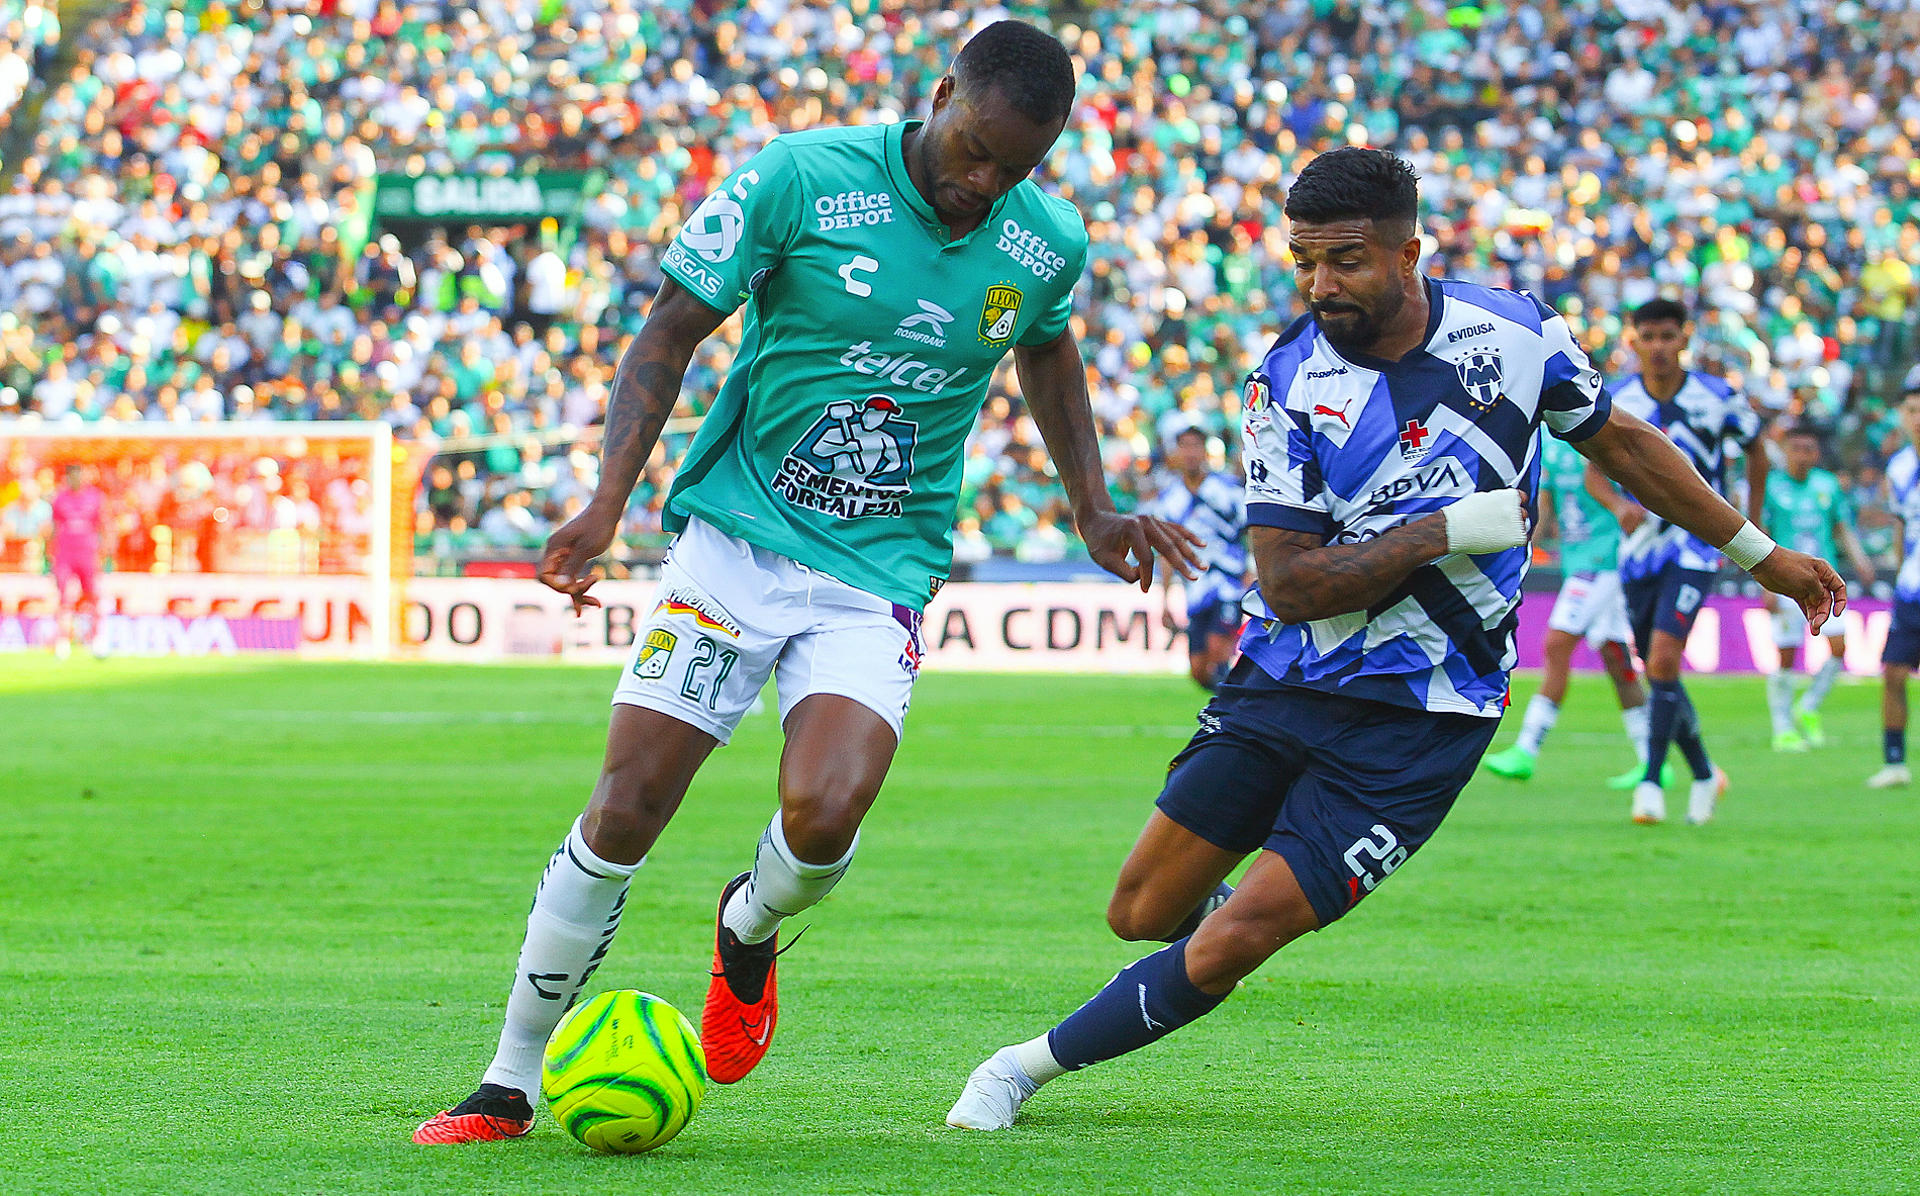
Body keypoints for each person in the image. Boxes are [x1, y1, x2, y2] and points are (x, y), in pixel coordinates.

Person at [943, 147, 1843, 1131]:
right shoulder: (1285, 383)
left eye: (1346, 261)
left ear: (1409, 252)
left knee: (1238, 934)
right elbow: (1285, 584)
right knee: (1142, 912)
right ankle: (1193, 942)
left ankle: (1019, 1066)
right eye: (1303, 263)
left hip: (1429, 713)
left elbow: (1622, 443)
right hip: (1288, 674)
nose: (1321, 284)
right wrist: (1447, 529)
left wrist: (1760, 554)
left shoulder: (1520, 334)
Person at [414, 20, 1201, 1146]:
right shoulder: (802, 177)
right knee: (627, 806)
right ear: (939, 98)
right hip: (732, 544)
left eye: (1015, 168)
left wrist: (1091, 503)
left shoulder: (1044, 243)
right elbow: (669, 330)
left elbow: (1050, 348)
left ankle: (750, 921)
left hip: (877, 571)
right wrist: (605, 503)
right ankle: (507, 1076)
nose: (986, 183)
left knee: (826, 815)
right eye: (974, 150)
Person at [1591, 298, 1766, 826]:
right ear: (1634, 340)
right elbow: (1591, 471)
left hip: (1696, 543)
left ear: (1684, 338)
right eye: (1649, 336)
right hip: (1638, 551)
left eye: (1669, 336)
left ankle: (1649, 783)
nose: (1660, 347)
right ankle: (1707, 774)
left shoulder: (1718, 396)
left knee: (1663, 662)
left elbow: (1757, 452)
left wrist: (1749, 531)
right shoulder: (1616, 400)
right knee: (1656, 668)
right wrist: (1619, 505)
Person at [1482, 430, 1662, 788]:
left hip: (1605, 559)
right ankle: (1652, 762)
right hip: (1578, 561)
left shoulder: (1598, 438)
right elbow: (1546, 507)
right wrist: (1526, 549)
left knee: (1556, 646)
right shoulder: (1549, 447)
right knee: (1616, 659)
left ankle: (1526, 750)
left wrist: (1626, 513)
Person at [1760, 423, 1875, 751]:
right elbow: (1760, 533)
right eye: (1795, 449)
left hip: (1824, 584)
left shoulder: (1827, 485)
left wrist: (1861, 560)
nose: (1802, 455)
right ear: (1785, 451)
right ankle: (1782, 727)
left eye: (1808, 449)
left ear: (1816, 453)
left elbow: (1842, 527)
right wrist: (1765, 584)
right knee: (1786, 655)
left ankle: (1807, 706)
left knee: (1839, 648)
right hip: (1784, 584)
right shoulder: (1771, 486)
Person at [1149, 425, 1249, 690]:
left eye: (1196, 446)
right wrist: (1166, 600)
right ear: (1176, 453)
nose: (1191, 453)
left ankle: (1227, 717)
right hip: (1196, 588)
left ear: (1205, 451)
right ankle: (1230, 705)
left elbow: (1250, 532)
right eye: (1185, 447)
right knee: (1198, 670)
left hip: (1228, 583)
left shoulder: (1228, 490)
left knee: (1218, 652)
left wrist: (1252, 571)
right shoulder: (1169, 500)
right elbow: (1167, 553)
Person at [1870, 383, 1920, 789]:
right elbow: (1901, 525)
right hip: (1911, 591)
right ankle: (1894, 762)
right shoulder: (1899, 467)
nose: (1917, 419)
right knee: (1893, 672)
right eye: (1911, 410)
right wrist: (1903, 568)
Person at [47, 464, 105, 658]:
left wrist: (104, 554)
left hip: (87, 554)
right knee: (64, 598)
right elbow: (54, 527)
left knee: (92, 596)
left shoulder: (95, 497)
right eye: (72, 476)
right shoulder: (59, 498)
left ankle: (96, 639)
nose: (76, 480)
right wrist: (50, 555)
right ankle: (63, 641)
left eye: (79, 476)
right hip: (65, 555)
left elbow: (103, 525)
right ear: (67, 477)